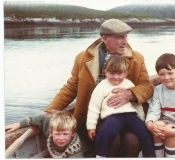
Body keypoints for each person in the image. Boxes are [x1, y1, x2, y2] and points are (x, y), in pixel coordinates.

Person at [43, 19, 154, 157]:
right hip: (95, 116)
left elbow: (147, 86)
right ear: (104, 38)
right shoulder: (83, 58)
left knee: (132, 141)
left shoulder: (137, 58)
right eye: (120, 36)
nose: (125, 41)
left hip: (127, 114)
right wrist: (51, 110)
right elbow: (72, 87)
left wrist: (130, 94)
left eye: (126, 36)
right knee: (112, 140)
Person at [86, 55, 155, 158]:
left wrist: (141, 120)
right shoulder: (101, 86)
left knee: (145, 133)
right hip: (113, 117)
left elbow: (137, 105)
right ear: (105, 72)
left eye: (119, 73)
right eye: (112, 73)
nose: (116, 77)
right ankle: (100, 156)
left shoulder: (129, 84)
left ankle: (150, 156)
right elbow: (94, 106)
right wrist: (91, 127)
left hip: (131, 116)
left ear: (125, 73)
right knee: (106, 132)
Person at [5, 110, 83, 158]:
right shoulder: (49, 130)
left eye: (65, 134)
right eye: (57, 134)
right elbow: (42, 118)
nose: (61, 138)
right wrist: (19, 124)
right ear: (51, 132)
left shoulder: (75, 152)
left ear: (72, 133)